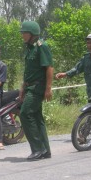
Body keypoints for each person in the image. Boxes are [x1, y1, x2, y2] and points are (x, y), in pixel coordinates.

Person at [19, 21, 54, 161]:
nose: (22, 35)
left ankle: (37, 149)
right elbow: (28, 72)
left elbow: (49, 68)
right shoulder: (29, 48)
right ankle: (45, 150)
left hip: (37, 87)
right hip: (30, 86)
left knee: (25, 114)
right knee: (37, 118)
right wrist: (22, 88)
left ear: (32, 34)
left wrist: (48, 89)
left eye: (24, 32)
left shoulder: (42, 46)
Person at [55, 33, 91, 98]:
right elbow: (77, 68)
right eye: (88, 43)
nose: (89, 45)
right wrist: (65, 74)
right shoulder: (85, 58)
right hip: (90, 90)